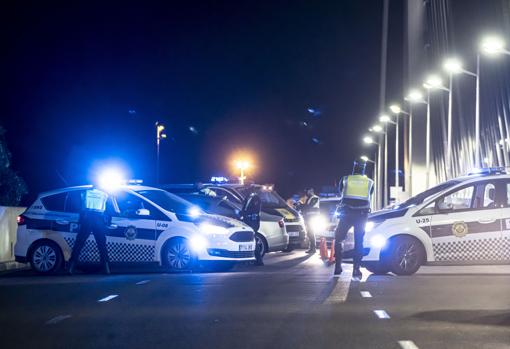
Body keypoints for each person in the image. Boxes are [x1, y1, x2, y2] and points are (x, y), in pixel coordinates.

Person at [334, 161, 374, 278]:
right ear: (363, 170)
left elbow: (340, 192)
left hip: (346, 214)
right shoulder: (370, 182)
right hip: (361, 216)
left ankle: (337, 267)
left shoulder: (346, 179)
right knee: (359, 242)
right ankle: (356, 270)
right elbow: (369, 194)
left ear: (353, 169)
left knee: (339, 239)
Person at [68, 187, 112, 275]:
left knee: (79, 243)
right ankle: (107, 269)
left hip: (87, 218)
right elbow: (109, 209)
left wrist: (80, 221)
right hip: (99, 219)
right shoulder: (105, 193)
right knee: (101, 244)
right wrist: (108, 221)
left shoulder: (85, 192)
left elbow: (81, 208)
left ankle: (71, 268)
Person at [302, 188, 320, 254]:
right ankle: (311, 248)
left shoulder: (315, 198)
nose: (306, 192)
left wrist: (301, 205)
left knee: (311, 233)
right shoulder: (308, 198)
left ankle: (313, 248)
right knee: (309, 233)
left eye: (307, 191)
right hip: (308, 218)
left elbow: (309, 206)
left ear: (311, 191)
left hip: (313, 218)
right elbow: (305, 207)